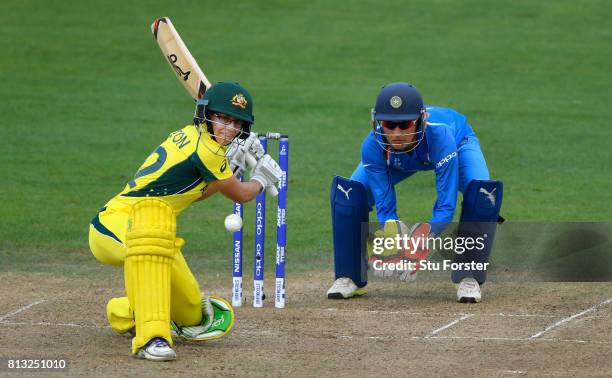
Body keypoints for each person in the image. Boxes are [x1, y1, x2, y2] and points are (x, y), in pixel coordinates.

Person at [88, 82, 283, 361]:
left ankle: (124, 312)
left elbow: (191, 193)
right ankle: (151, 339)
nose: (229, 128)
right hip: (116, 223)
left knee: (191, 312)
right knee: (148, 255)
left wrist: (230, 169)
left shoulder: (199, 141)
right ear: (207, 115)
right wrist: (261, 179)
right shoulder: (209, 151)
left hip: (157, 230)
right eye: (223, 118)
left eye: (235, 122)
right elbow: (241, 195)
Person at [328, 82, 503, 303]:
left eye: (405, 124)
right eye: (389, 125)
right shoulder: (372, 146)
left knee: (483, 195)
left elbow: (445, 204)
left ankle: (470, 277)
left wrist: (423, 238)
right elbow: (385, 203)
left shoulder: (441, 136)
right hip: (397, 161)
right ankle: (349, 276)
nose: (397, 133)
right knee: (349, 195)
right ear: (377, 122)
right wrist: (394, 234)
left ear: (422, 119)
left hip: (457, 143)